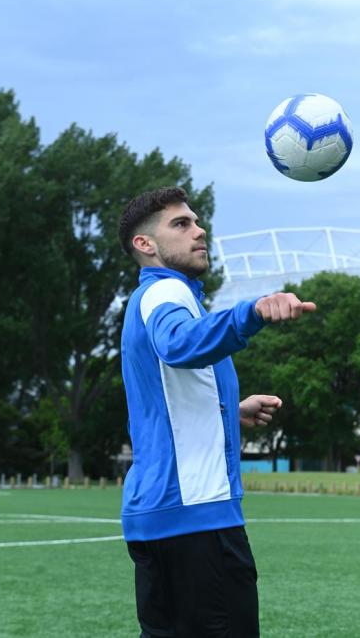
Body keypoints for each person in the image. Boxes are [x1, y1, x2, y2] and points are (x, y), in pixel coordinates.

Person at [118, 186, 316, 637]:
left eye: (196, 220)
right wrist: (252, 313)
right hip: (197, 522)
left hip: (157, 519)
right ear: (144, 244)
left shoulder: (152, 299)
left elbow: (163, 405)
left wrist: (230, 411)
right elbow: (179, 344)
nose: (199, 229)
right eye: (181, 224)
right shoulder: (166, 292)